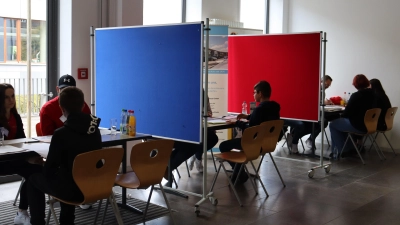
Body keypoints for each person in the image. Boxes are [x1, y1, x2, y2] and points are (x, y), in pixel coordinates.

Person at [27, 86, 102, 225]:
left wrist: (41, 162)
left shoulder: (61, 134)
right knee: (68, 176)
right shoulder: (95, 130)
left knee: (33, 180)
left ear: (61, 108)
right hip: (96, 185)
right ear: (82, 105)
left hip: (72, 191)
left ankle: (37, 222)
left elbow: (49, 171)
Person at [219, 80, 280, 184]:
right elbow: (263, 119)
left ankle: (240, 173)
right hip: (267, 144)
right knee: (239, 148)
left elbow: (250, 131)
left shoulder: (259, 109)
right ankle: (239, 172)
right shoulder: (274, 108)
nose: (253, 94)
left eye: (254, 92)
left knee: (223, 146)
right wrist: (247, 116)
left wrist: (237, 122)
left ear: (260, 93)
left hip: (254, 144)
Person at [0, 83, 43, 225]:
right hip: (2, 161)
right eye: (6, 97)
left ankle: (22, 212)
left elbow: (22, 140)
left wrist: (30, 158)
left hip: (15, 159)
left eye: (12, 96)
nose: (11, 100)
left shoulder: (15, 116)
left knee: (37, 171)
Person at [329, 74, 377, 157]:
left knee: (333, 124)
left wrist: (343, 112)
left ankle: (340, 150)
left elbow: (346, 113)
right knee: (341, 124)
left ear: (355, 84)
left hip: (359, 125)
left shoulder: (356, 95)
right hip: (370, 125)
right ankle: (350, 148)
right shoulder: (374, 94)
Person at [285, 75, 333, 153]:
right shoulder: (313, 89)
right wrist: (323, 103)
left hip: (315, 113)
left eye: (328, 85)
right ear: (321, 82)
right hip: (304, 113)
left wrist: (324, 103)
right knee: (312, 123)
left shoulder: (322, 91)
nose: (327, 87)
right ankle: (295, 139)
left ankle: (308, 138)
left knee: (323, 122)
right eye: (326, 84)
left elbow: (318, 104)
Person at [187, 95, 214, 173]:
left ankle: (195, 155)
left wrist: (208, 113)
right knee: (200, 137)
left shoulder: (204, 95)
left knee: (213, 138)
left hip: (203, 125)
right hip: (190, 127)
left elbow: (209, 111)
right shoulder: (189, 94)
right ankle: (198, 158)